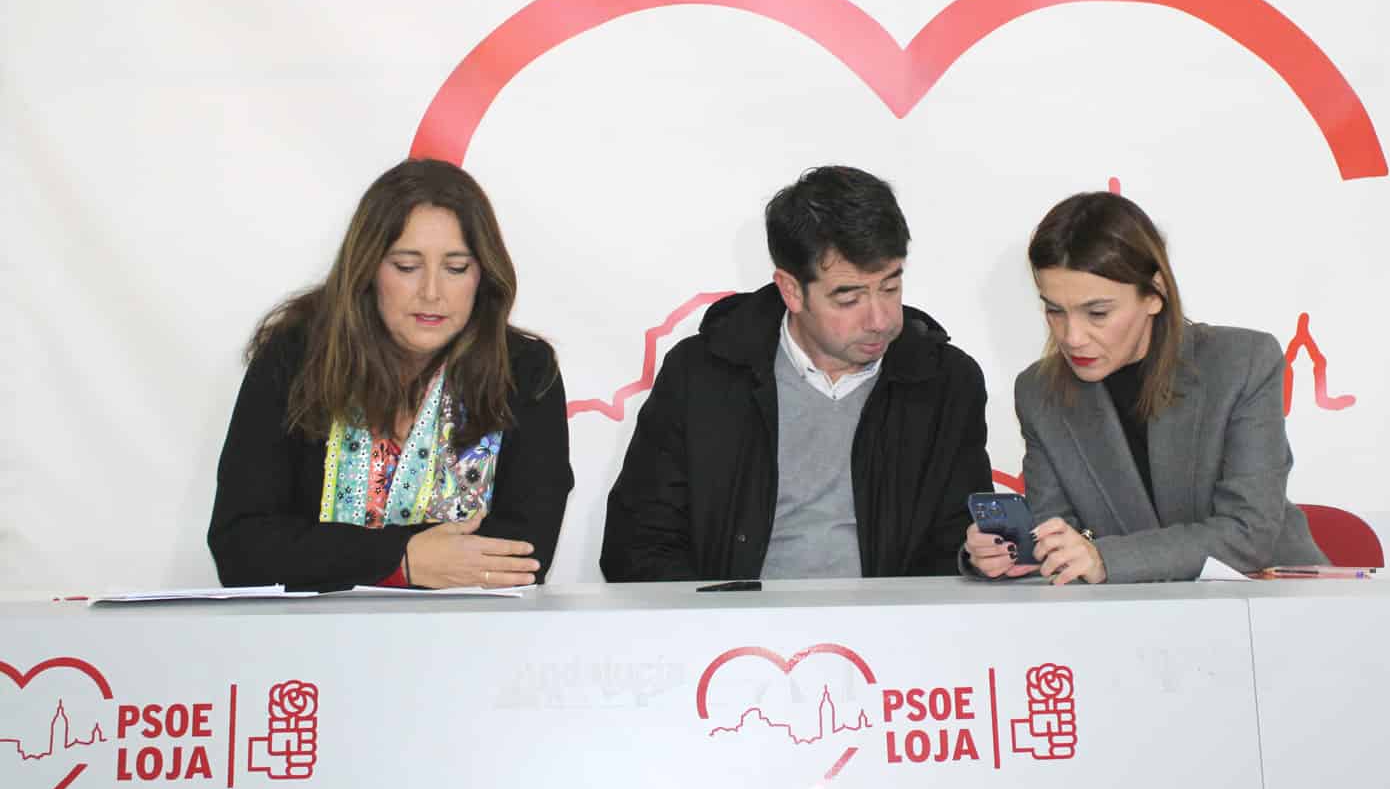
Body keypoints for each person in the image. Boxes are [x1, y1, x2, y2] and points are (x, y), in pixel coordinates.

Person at [600, 166, 992, 582]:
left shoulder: (946, 381)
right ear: (791, 291)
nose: (880, 319)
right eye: (849, 298)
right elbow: (638, 543)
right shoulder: (702, 375)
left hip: (892, 633)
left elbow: (958, 543)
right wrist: (721, 623)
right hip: (729, 633)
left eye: (890, 287)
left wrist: (972, 559)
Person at [208, 159, 573, 590]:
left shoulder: (525, 372)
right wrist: (403, 560)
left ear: (483, 275)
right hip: (304, 647)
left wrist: (330, 557)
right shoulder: (295, 359)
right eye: (406, 266)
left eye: (456, 268)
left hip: (471, 646)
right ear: (367, 270)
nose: (432, 292)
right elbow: (242, 549)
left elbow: (523, 557)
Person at [965, 191, 1323, 584]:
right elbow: (1060, 531)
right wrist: (1007, 551)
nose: (1072, 336)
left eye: (1097, 313)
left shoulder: (1244, 362)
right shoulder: (1039, 392)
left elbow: (1247, 533)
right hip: (1129, 620)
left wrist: (1103, 557)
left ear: (1155, 294)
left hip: (1274, 607)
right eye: (1054, 310)